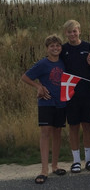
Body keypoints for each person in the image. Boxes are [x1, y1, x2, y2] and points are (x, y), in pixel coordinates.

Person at [21, 35, 66, 184]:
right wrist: (38, 87)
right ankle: (44, 169)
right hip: (46, 102)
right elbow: (25, 77)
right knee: (45, 133)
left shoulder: (63, 62)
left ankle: (55, 165)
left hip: (61, 102)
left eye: (58, 46)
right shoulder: (42, 64)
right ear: (47, 48)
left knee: (57, 132)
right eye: (52, 46)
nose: (55, 48)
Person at [60, 20, 90, 173]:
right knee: (73, 127)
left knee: (87, 126)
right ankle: (76, 161)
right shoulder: (63, 49)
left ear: (79, 31)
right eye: (69, 32)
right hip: (70, 94)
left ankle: (89, 160)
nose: (72, 34)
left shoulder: (89, 46)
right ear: (66, 34)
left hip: (88, 92)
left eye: (74, 31)